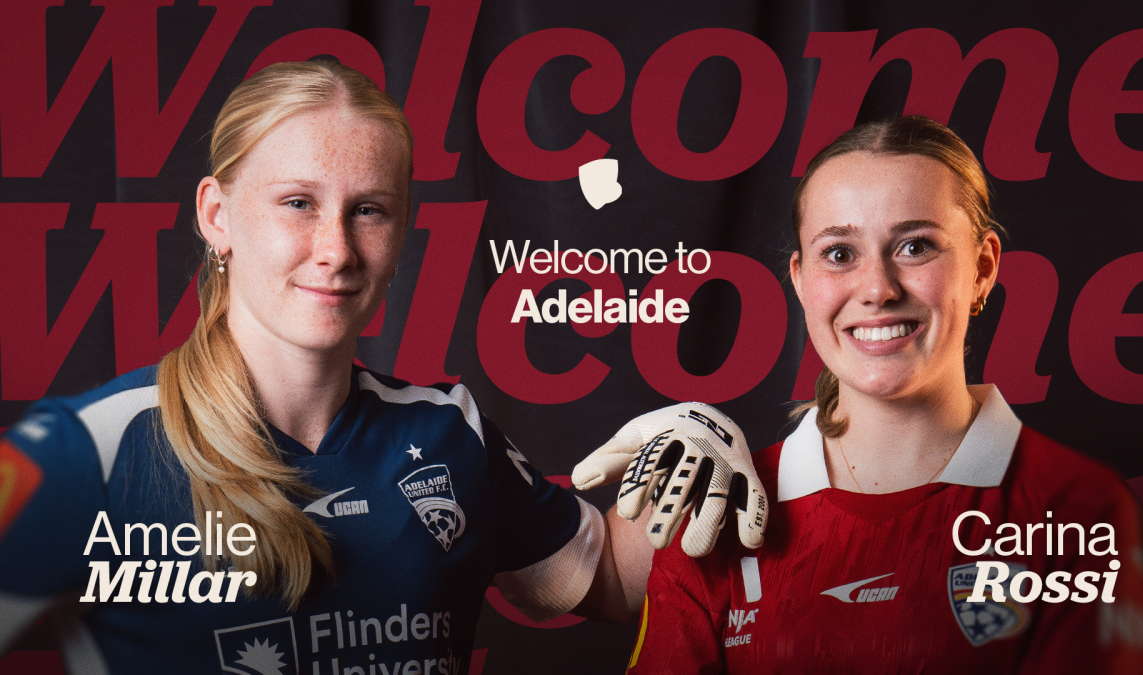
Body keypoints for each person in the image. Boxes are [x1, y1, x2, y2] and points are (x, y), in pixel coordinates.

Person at [0, 60, 766, 675]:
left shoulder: (448, 430)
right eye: (298, 203)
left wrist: (689, 452)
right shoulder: (88, 449)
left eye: (369, 209)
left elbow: (613, 579)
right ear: (216, 215)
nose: (336, 249)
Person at [625, 116, 1143, 674]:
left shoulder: (1078, 508)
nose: (878, 288)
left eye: (915, 246)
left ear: (982, 268)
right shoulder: (717, 510)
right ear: (801, 280)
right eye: (839, 253)